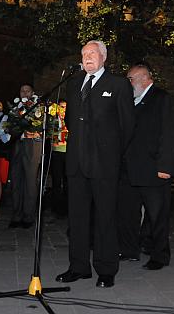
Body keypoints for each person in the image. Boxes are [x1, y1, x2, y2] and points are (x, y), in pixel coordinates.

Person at [56, 40, 135, 289]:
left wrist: (112, 153)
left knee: (105, 218)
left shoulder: (118, 84)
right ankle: (78, 267)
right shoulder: (73, 83)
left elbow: (128, 125)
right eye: (84, 54)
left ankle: (106, 269)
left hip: (105, 165)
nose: (87, 57)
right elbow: (70, 119)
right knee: (77, 218)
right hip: (77, 163)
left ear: (103, 57)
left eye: (92, 53)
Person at [117, 63, 174, 271]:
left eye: (131, 79)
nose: (128, 83)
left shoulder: (161, 98)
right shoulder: (130, 101)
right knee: (128, 212)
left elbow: (170, 134)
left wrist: (166, 166)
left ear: (144, 78)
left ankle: (159, 255)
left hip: (153, 168)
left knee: (157, 214)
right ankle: (129, 249)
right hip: (129, 169)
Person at [8, 84, 44, 229]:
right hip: (18, 144)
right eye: (22, 90)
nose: (25, 92)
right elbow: (10, 125)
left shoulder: (38, 106)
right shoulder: (16, 107)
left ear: (32, 92)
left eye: (27, 90)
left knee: (30, 180)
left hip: (32, 144)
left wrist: (34, 129)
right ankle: (16, 215)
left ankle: (28, 216)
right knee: (16, 180)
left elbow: (42, 125)